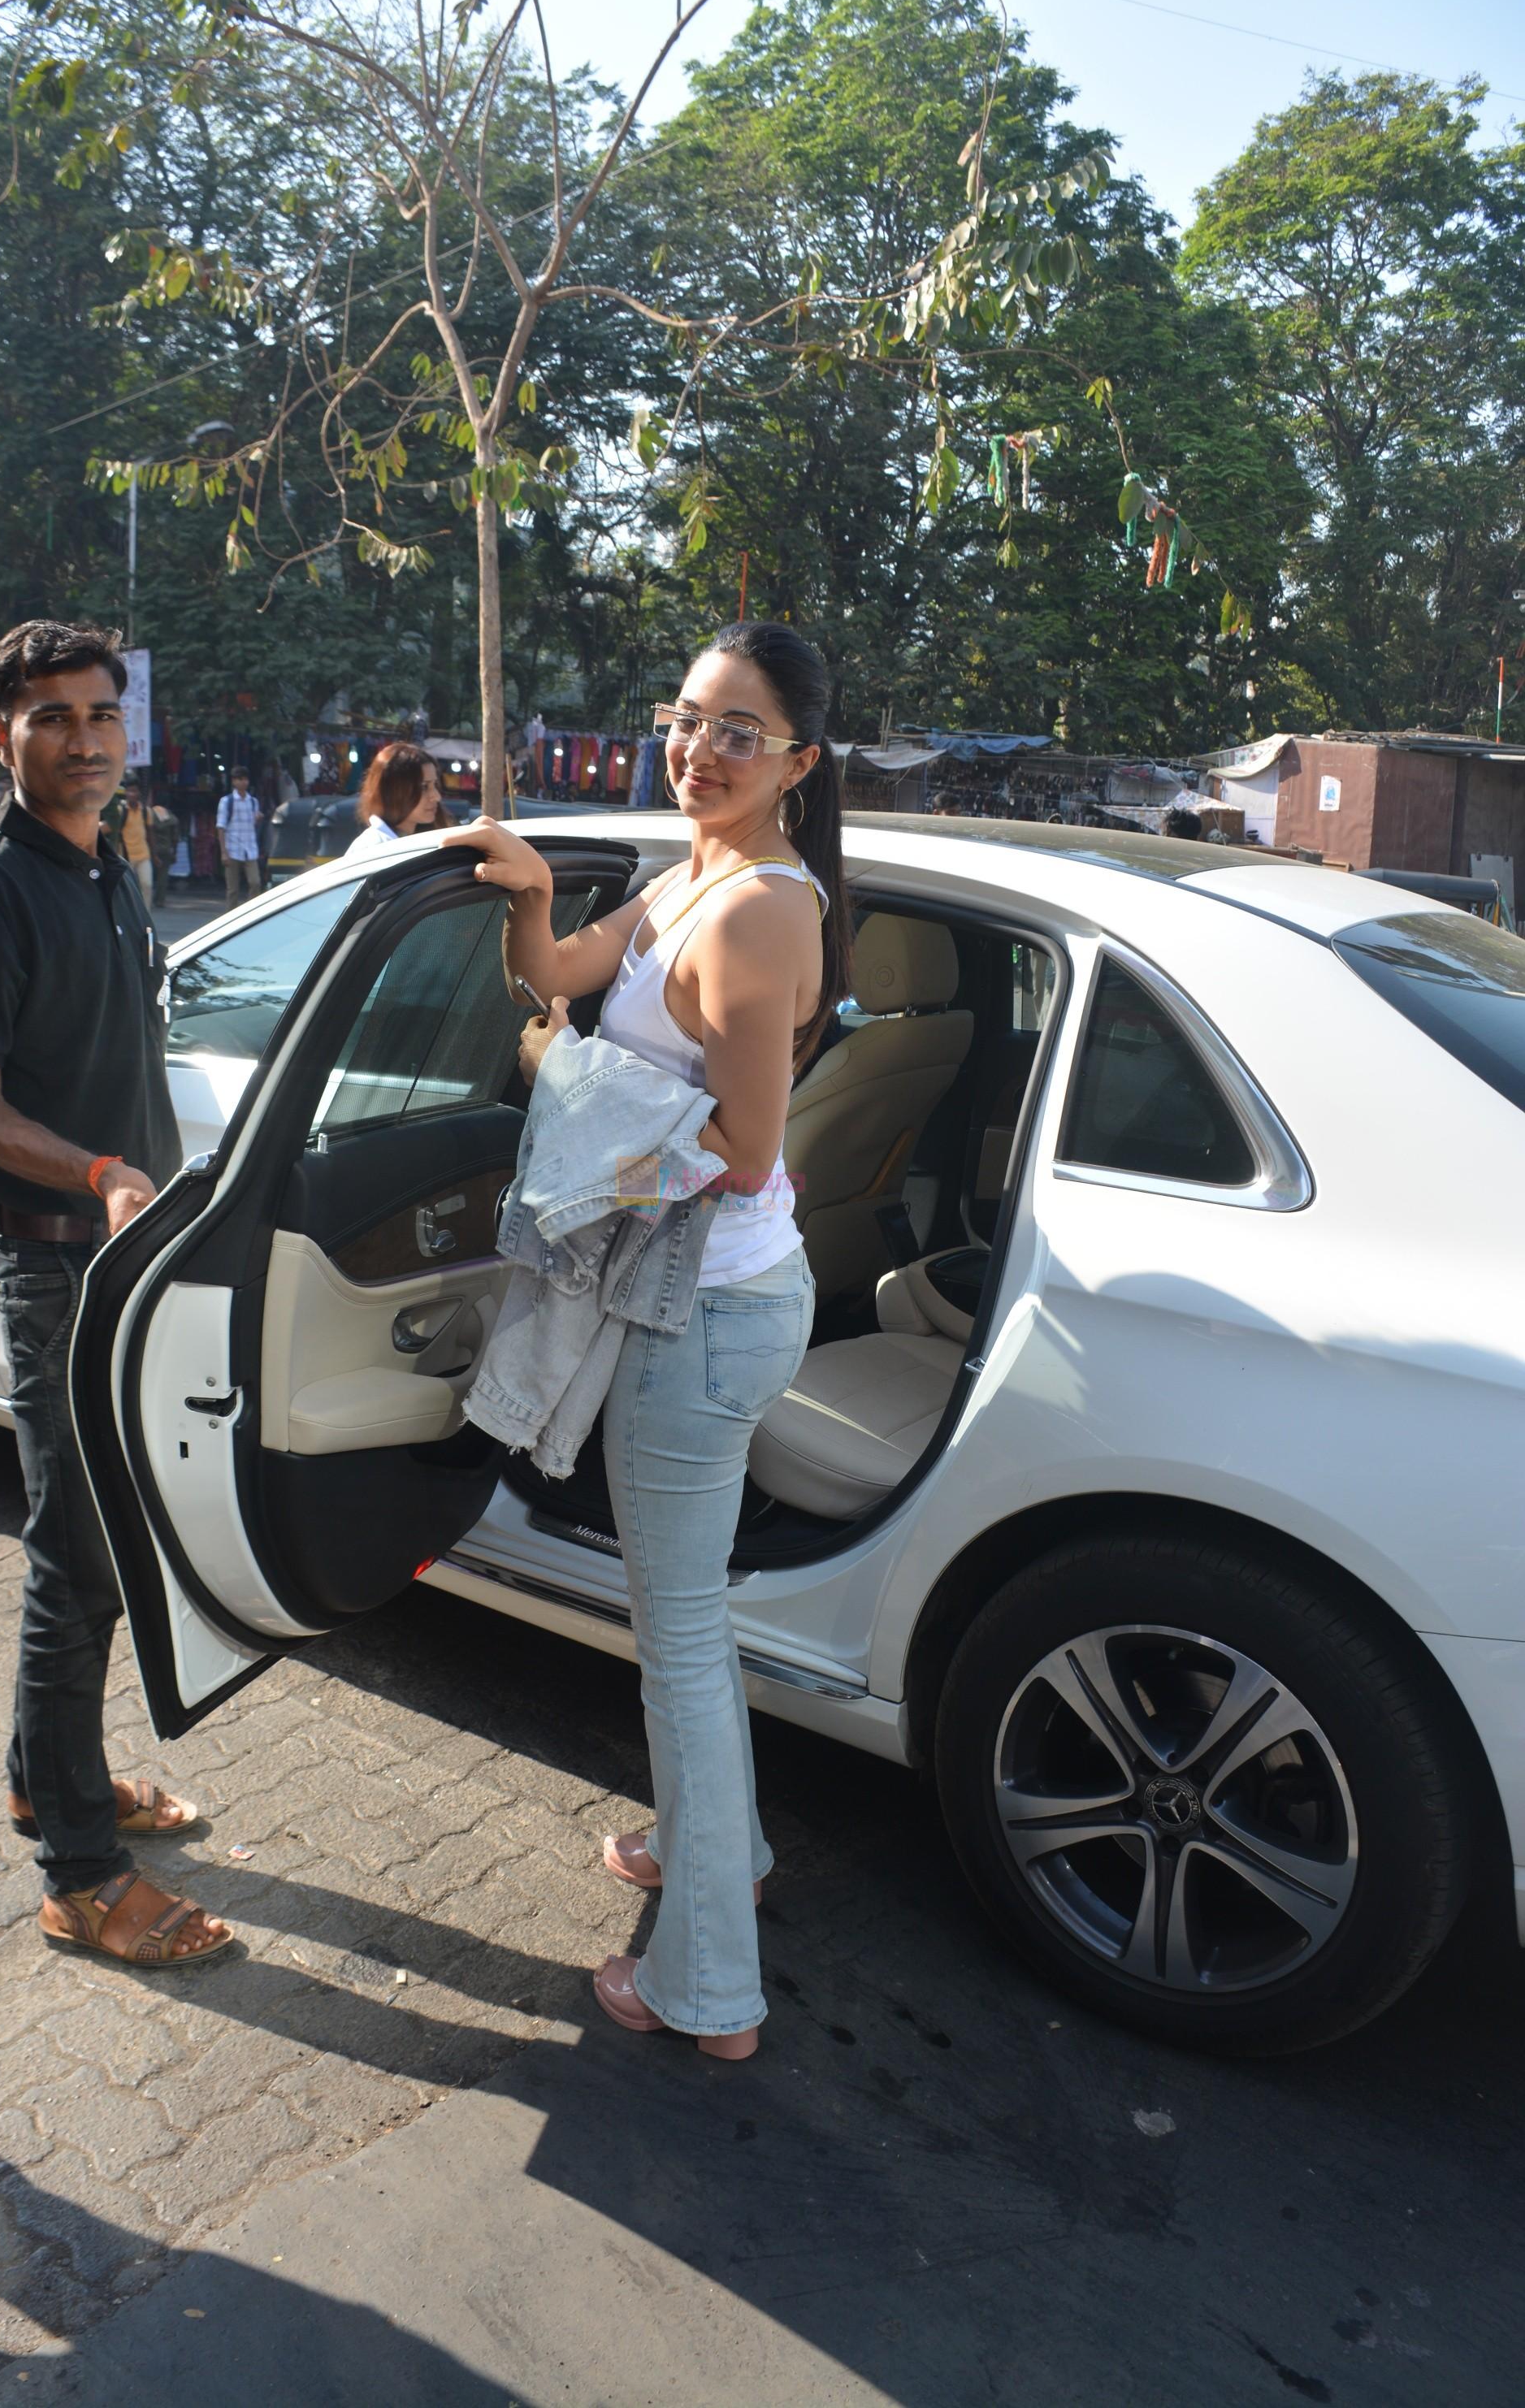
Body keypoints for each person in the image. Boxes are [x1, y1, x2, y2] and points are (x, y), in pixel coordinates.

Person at [450, 619, 848, 2061]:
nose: (699, 750)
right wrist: (538, 893)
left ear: (799, 761)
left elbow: (744, 1151)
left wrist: (571, 1081)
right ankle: (708, 1854)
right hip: (701, 1299)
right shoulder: (694, 876)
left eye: (738, 731)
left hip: (711, 1308)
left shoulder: (759, 912)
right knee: (684, 1627)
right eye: (686, 718)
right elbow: (556, 966)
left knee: (678, 1636)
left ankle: (710, 1996)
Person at [0, 619, 229, 1971]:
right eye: (54, 717)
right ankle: (81, 1878)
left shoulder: (107, 864)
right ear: (4, 736)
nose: (88, 738)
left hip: (124, 1259)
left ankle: (54, 1780)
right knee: (76, 1563)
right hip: (54, 1262)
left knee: (100, 1553)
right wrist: (102, 1170)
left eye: (103, 713)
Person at [340, 743, 442, 860]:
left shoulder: (421, 842)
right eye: (424, 787)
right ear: (393, 790)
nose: (437, 796)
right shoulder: (373, 849)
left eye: (435, 785)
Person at [215, 766, 262, 903]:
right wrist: (223, 852)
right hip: (233, 849)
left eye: (246, 779)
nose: (244, 782)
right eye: (241, 779)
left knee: (255, 883)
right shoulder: (226, 802)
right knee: (233, 890)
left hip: (250, 848)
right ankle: (232, 919)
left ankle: (250, 913)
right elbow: (221, 827)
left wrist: (258, 819)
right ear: (234, 782)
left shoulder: (253, 802)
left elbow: (251, 825)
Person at [117, 779, 154, 902]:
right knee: (128, 889)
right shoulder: (121, 810)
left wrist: (155, 855)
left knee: (147, 885)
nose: (132, 794)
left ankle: (145, 917)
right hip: (126, 857)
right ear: (126, 793)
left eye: (134, 791)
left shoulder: (145, 811)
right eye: (129, 791)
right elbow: (116, 834)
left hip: (144, 855)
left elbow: (150, 833)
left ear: (139, 793)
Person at [148, 795, 180, 905]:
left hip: (151, 848)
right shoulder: (171, 817)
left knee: (148, 875)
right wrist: (175, 852)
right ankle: (160, 900)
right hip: (166, 849)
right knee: (163, 876)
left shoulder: (149, 814)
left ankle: (146, 899)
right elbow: (175, 838)